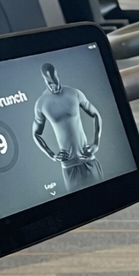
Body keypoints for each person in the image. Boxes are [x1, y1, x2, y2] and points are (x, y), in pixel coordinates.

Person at [33, 62, 103, 192]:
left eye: (56, 81)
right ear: (45, 81)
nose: (55, 86)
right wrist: (52, 155)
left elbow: (96, 115)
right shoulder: (41, 103)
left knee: (105, 198)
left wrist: (96, 144)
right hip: (69, 165)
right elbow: (36, 134)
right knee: (79, 207)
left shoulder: (74, 93)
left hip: (88, 158)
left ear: (58, 76)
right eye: (50, 83)